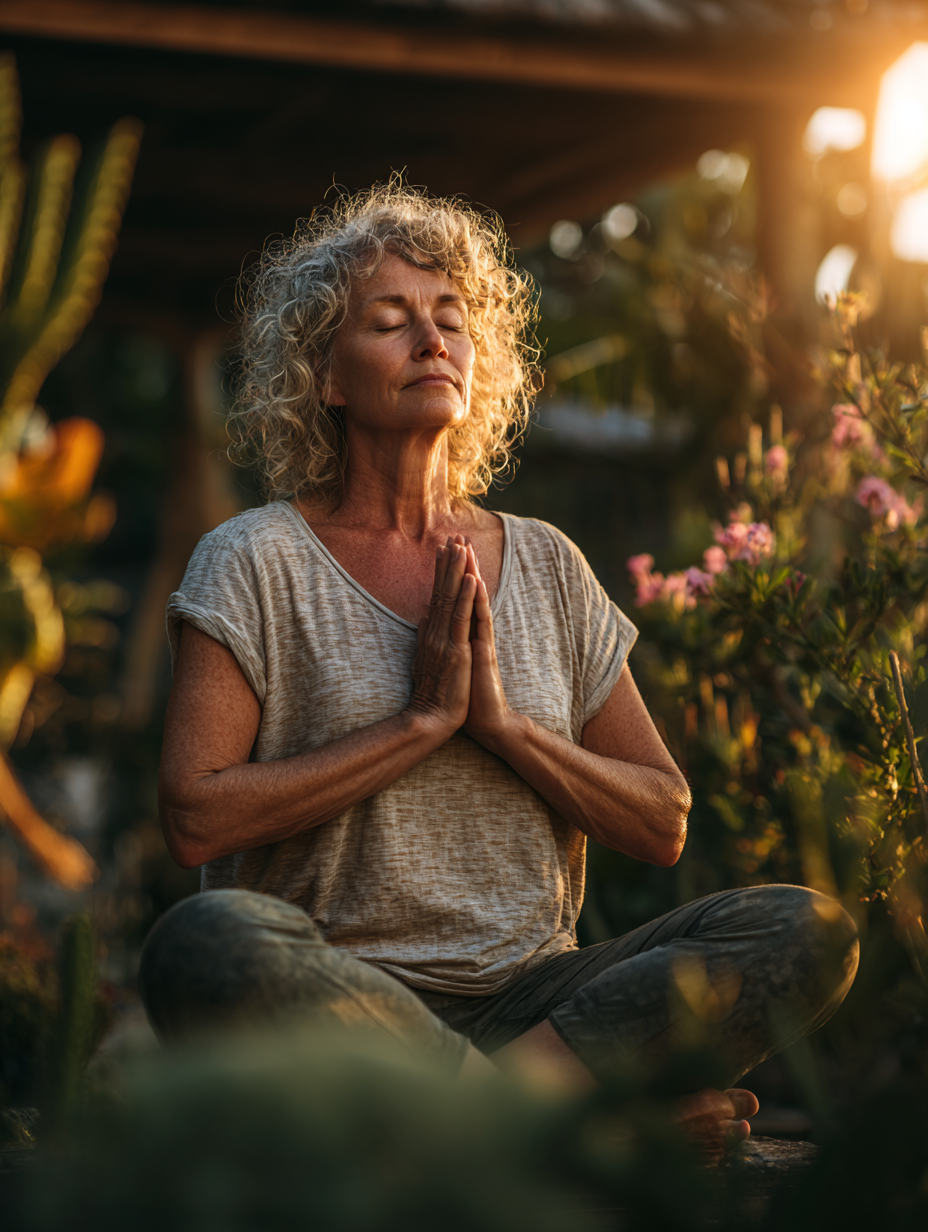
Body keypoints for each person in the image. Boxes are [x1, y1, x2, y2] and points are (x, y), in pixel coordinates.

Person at [142, 184, 858, 1161]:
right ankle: (574, 1133)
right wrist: (416, 726)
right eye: (390, 321)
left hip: (545, 1007)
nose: (431, 338)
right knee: (208, 941)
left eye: (451, 319)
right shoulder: (255, 558)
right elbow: (196, 816)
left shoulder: (549, 562)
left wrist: (505, 726)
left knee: (799, 926)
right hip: (344, 997)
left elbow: (660, 816)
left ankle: (503, 1115)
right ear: (326, 378)